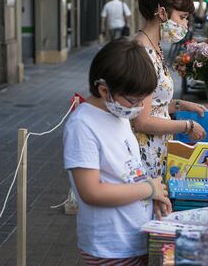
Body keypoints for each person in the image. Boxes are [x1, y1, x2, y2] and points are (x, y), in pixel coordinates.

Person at [63, 39, 172, 264]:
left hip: (133, 239)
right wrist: (147, 189)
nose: (140, 107)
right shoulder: (82, 125)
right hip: (110, 247)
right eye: (134, 100)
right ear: (105, 90)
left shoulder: (119, 115)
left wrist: (154, 194)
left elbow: (127, 173)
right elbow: (92, 192)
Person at [132, 0, 207, 178]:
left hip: (156, 150)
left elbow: (153, 104)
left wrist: (181, 105)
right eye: (182, 17)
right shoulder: (142, 52)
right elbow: (141, 120)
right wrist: (187, 126)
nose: (185, 25)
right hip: (144, 154)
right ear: (162, 13)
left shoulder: (154, 46)